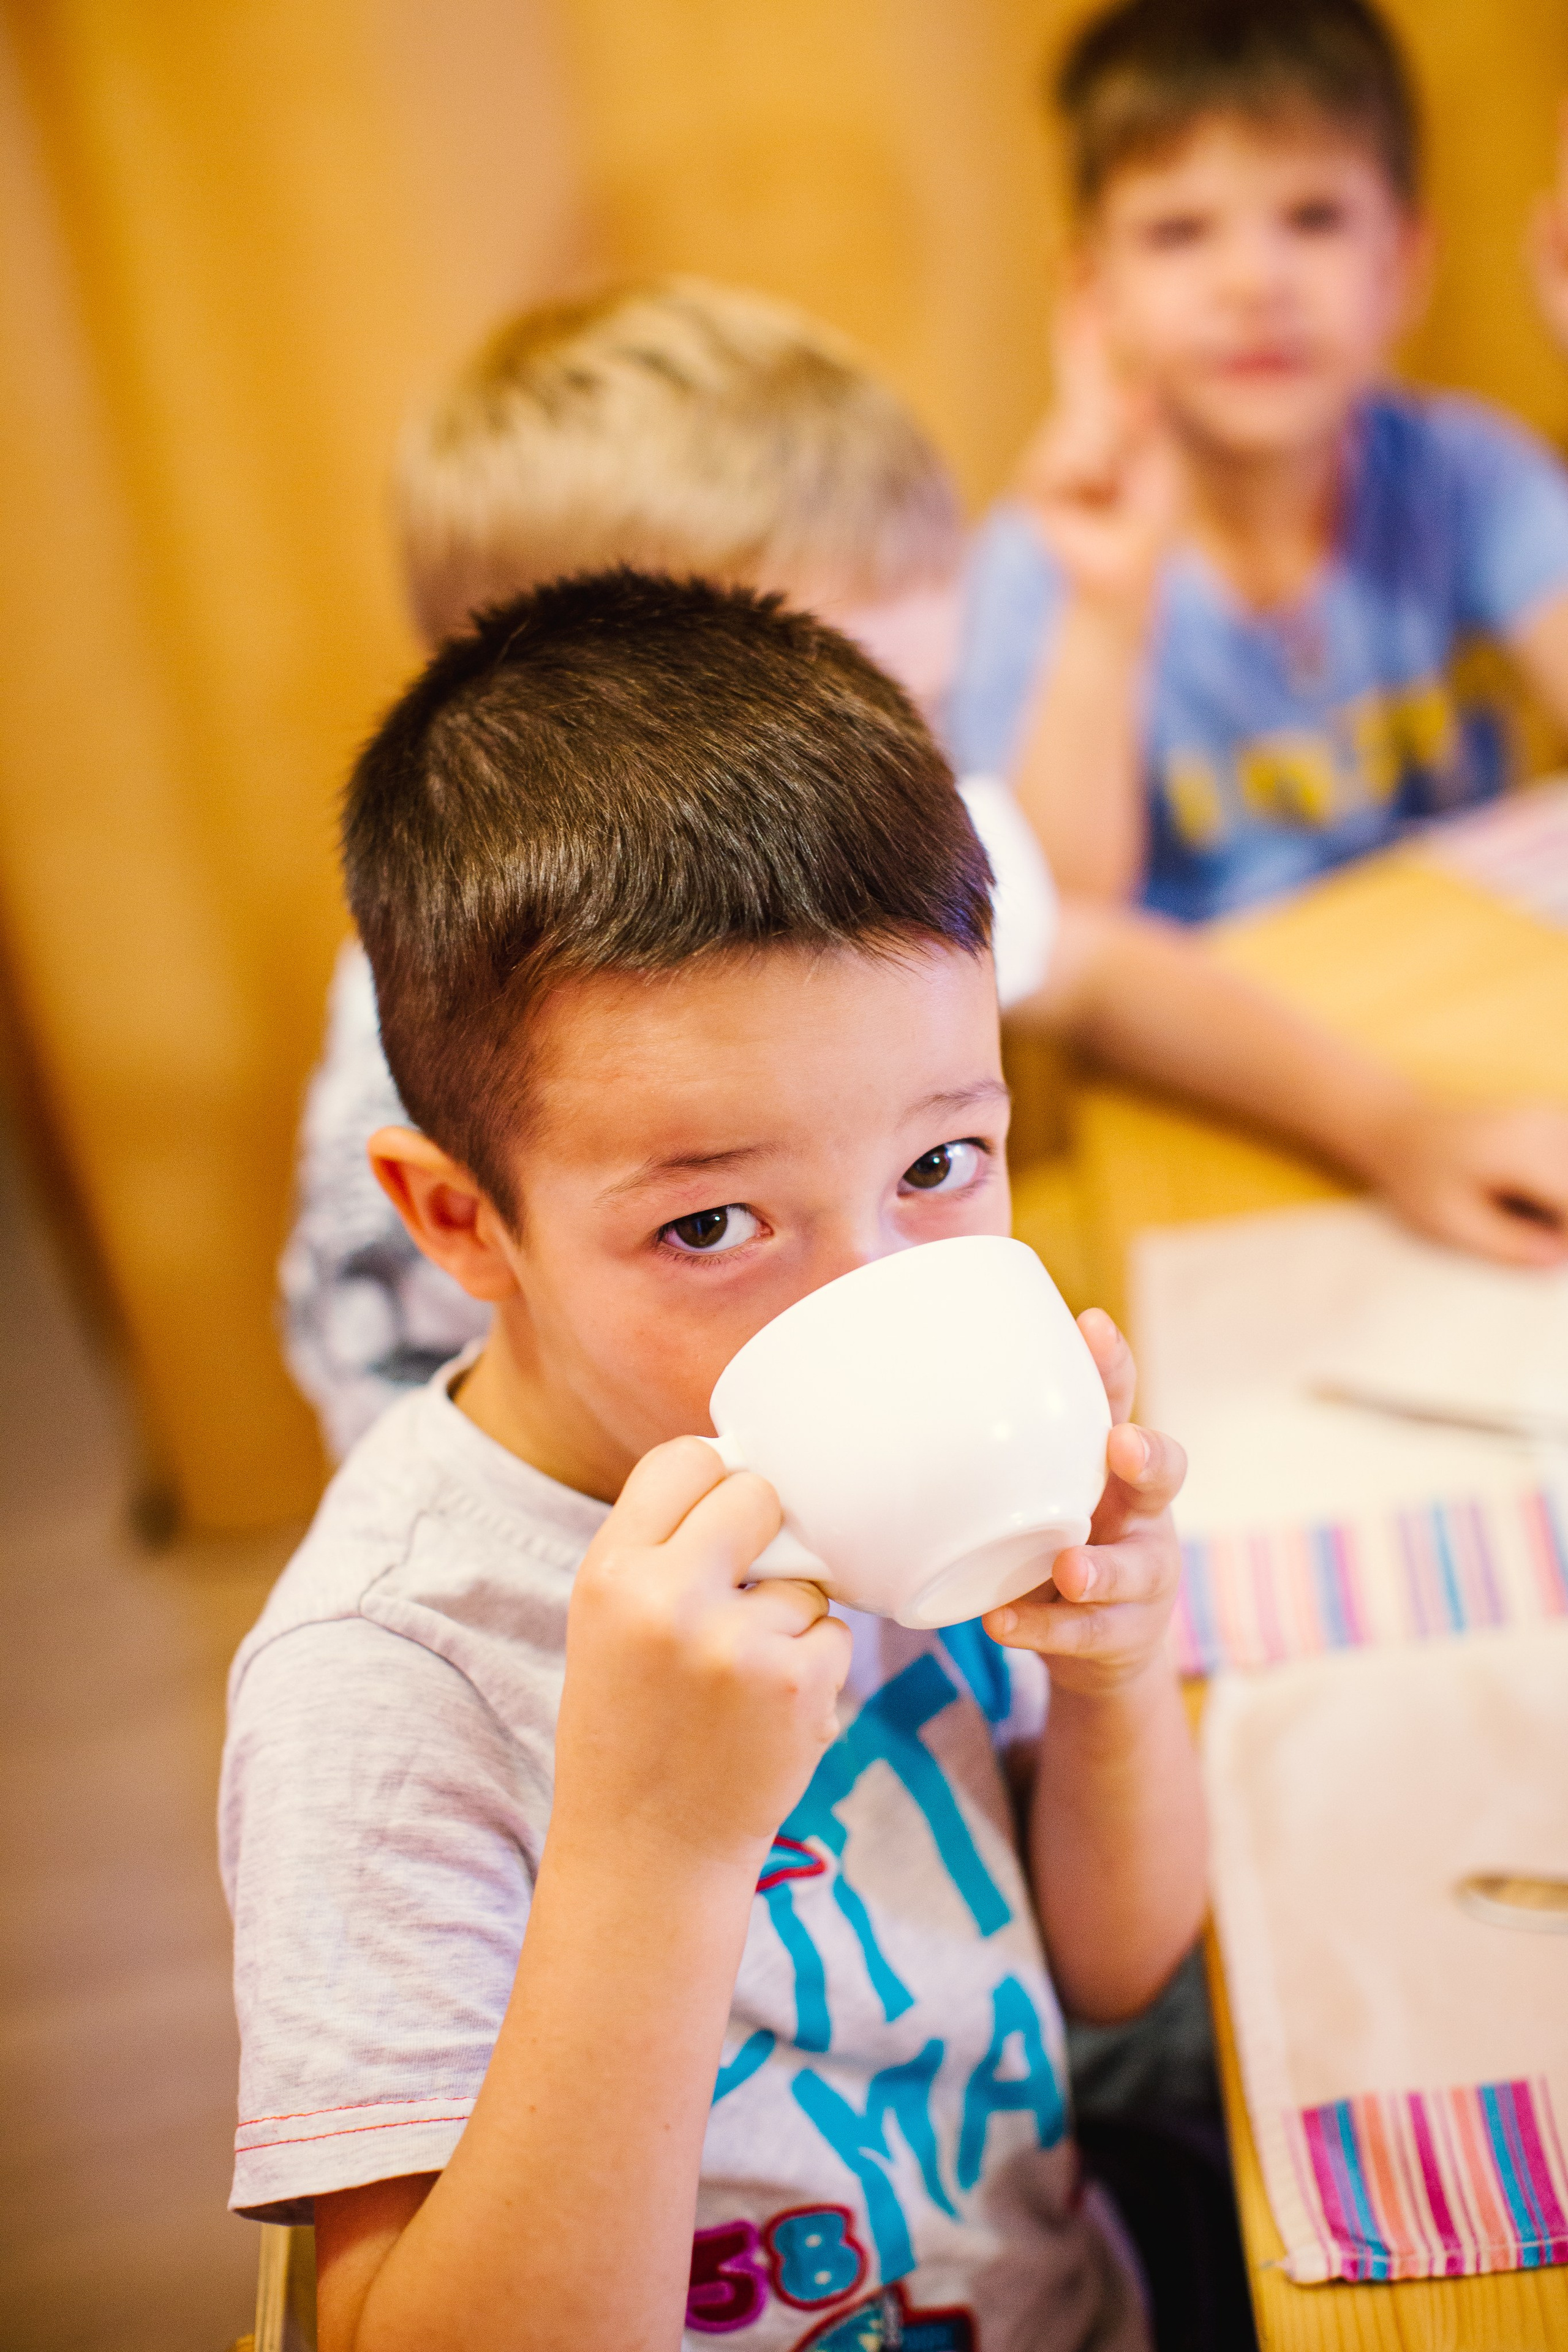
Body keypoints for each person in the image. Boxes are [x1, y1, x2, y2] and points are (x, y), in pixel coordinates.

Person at [224, 573, 1216, 2350]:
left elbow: (1112, 1977)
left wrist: (1114, 1677)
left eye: (940, 1167)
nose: (874, 1295)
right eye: (714, 1223)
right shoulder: (388, 1681)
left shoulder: (930, 1476)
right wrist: (656, 1850)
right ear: (461, 1219)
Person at [282, 278, 1568, 1463]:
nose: (912, 786)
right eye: (836, 724)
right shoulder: (470, 1060)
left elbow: (1098, 963)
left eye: (923, 716)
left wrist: (1397, 1126)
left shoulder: (854, 849)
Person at [949, 0, 1568, 924]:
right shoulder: (1040, 564)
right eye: (1179, 232)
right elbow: (1053, 929)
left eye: (1314, 218)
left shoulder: (1468, 476)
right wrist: (1107, 612)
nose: (1254, 283)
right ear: (1093, 291)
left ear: (1401, 265)